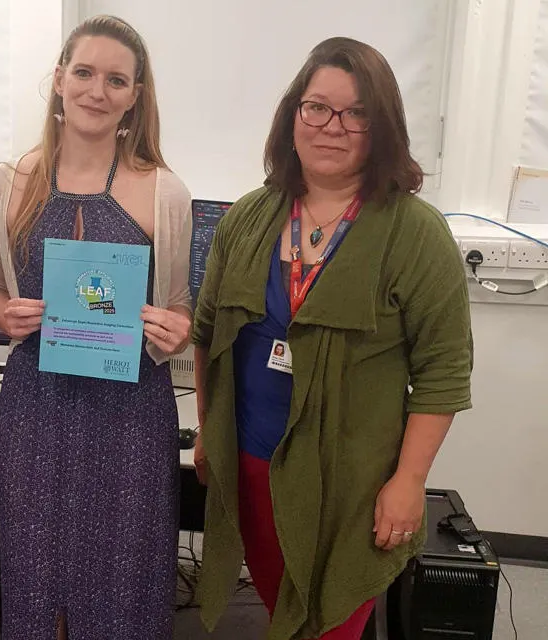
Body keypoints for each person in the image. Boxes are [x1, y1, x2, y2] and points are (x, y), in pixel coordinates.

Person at [191, 37, 473, 640]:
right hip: (254, 468)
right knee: (280, 610)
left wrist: (409, 481)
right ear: (293, 115)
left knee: (331, 624)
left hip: (351, 487)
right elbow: (207, 332)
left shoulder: (415, 233)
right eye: (317, 107)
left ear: (382, 127)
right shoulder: (247, 218)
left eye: (356, 113)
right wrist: (209, 428)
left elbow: (443, 374)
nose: (332, 126)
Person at [0, 15, 192, 640]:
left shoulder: (165, 191)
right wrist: (2, 314)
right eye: (85, 72)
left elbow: (180, 306)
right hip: (36, 407)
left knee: (124, 583)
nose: (97, 90)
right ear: (59, 78)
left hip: (130, 412)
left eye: (116, 80)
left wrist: (175, 330)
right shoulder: (8, 183)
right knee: (36, 578)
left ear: (135, 95)